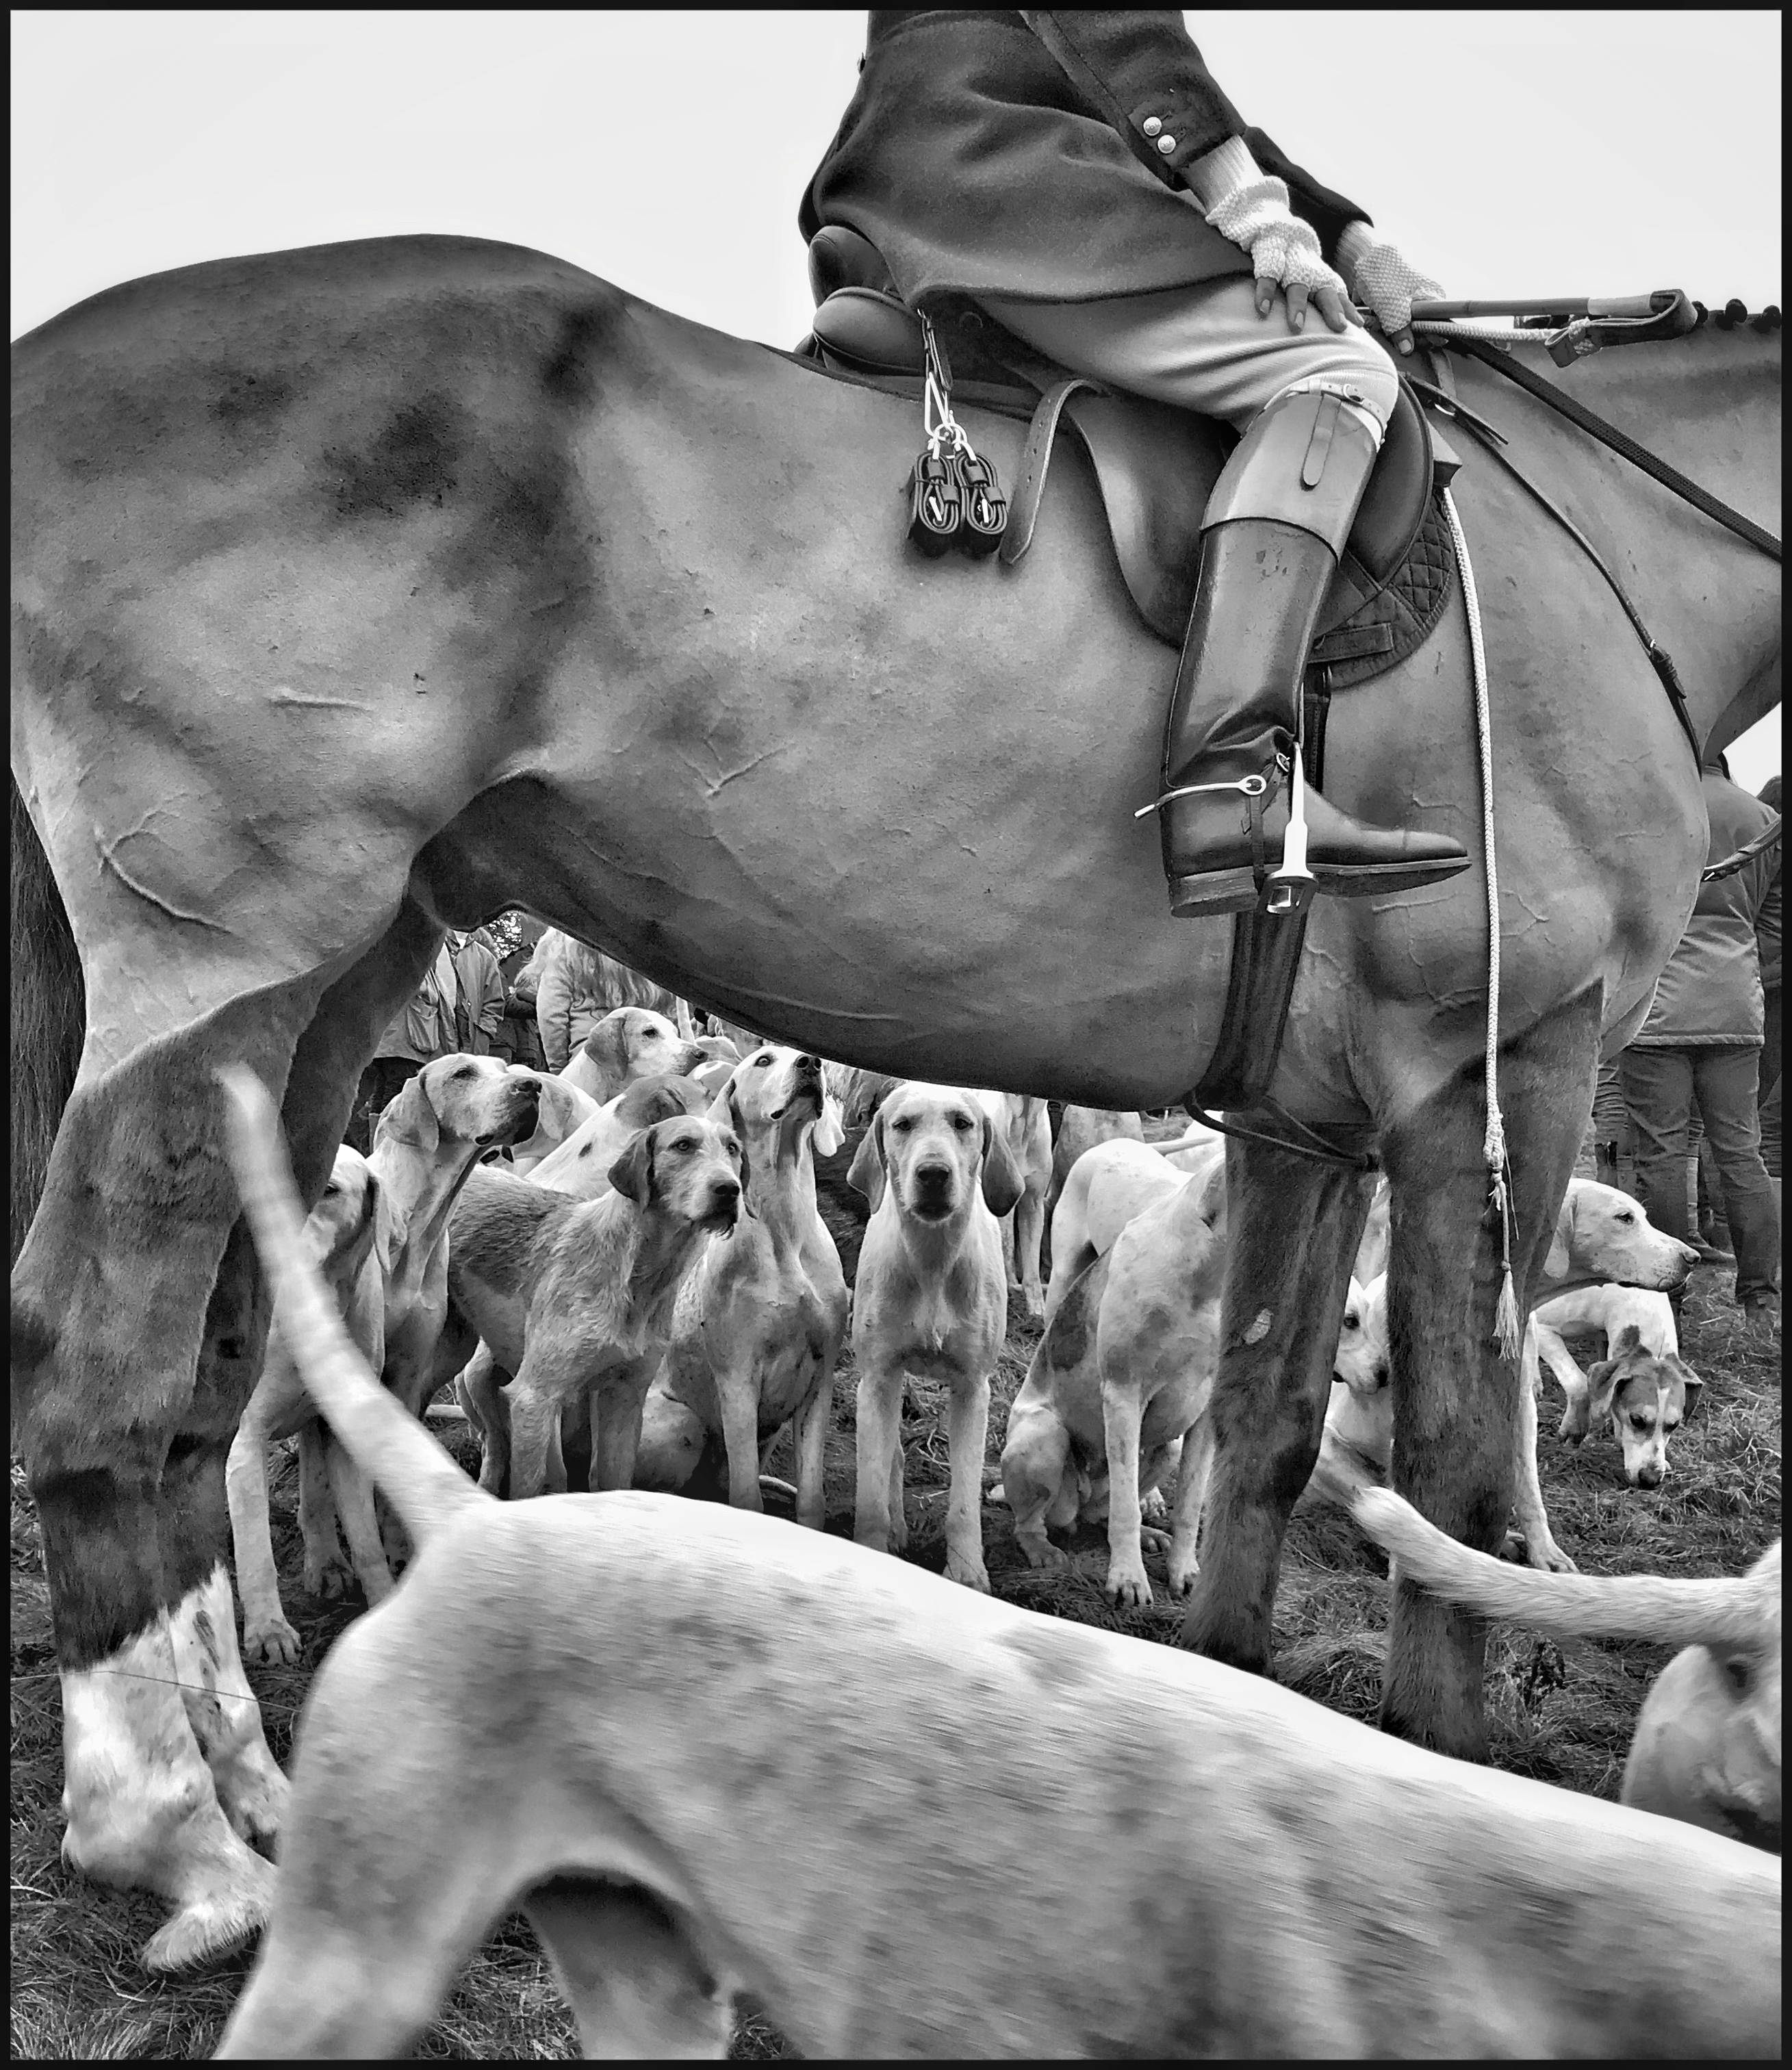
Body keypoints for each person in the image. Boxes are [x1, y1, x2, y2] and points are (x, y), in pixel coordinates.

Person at [801, 9, 1470, 917]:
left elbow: (1123, 81)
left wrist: (1351, 240)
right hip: (1001, 165)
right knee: (1338, 366)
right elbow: (1119, 28)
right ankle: (1232, 778)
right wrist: (1252, 211)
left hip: (932, 156)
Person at [1618, 759, 1780, 1338]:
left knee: (1660, 1154)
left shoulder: (1649, 797)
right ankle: (1761, 1298)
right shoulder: (1762, 816)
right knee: (1741, 1152)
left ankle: (1668, 1298)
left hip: (1656, 1001)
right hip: (1735, 1001)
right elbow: (1775, 921)